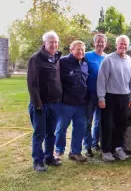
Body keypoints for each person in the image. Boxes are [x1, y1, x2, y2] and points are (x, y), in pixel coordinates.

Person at [27, 31, 62, 172]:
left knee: (51, 133)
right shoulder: (35, 59)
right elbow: (32, 84)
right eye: (50, 42)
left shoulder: (57, 58)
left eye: (55, 42)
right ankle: (37, 161)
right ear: (44, 43)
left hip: (55, 103)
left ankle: (49, 157)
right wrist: (37, 104)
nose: (53, 44)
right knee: (40, 134)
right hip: (41, 104)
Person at [97, 35, 131, 162]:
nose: (123, 46)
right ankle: (106, 151)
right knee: (107, 124)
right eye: (121, 44)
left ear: (127, 46)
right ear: (116, 45)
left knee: (121, 124)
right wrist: (101, 97)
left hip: (124, 97)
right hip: (110, 96)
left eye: (125, 44)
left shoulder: (129, 60)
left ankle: (118, 148)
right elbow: (101, 79)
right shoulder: (108, 59)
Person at [55, 40, 88, 162]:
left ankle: (75, 152)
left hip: (81, 103)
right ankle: (59, 151)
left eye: (83, 49)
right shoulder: (63, 62)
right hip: (66, 103)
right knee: (61, 128)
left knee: (79, 128)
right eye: (78, 49)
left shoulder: (85, 63)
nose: (81, 51)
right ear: (71, 50)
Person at [83, 34, 107, 157]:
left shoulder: (107, 58)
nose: (100, 44)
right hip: (89, 95)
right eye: (98, 42)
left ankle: (95, 142)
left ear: (106, 44)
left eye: (102, 42)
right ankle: (87, 147)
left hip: (102, 95)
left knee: (99, 121)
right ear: (94, 43)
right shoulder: (87, 56)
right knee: (87, 121)